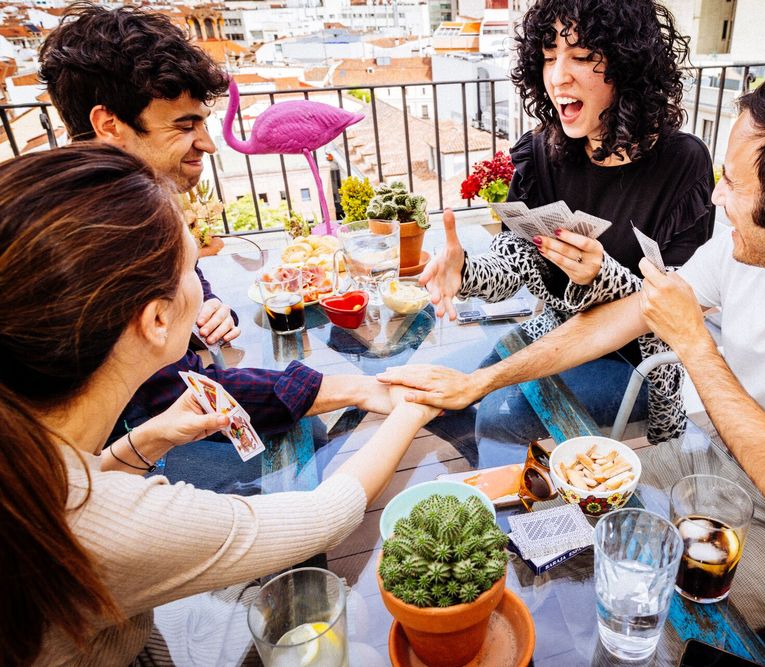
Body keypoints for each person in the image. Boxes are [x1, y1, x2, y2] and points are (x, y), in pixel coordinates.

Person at [382, 73, 765, 587]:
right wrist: (480, 382)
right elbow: (611, 324)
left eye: (733, 183)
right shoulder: (743, 253)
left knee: (621, 581)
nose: (716, 196)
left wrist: (693, 340)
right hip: (709, 466)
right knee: (543, 525)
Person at [0, 144, 439, 666]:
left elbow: (74, 485)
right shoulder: (106, 525)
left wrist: (149, 438)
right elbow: (325, 517)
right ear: (157, 320)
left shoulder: (29, 439)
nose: (204, 288)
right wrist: (413, 409)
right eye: (193, 268)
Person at [38, 4, 386, 444]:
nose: (207, 144)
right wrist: (358, 388)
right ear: (110, 124)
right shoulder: (102, 240)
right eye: (185, 125)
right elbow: (181, 398)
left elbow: (185, 275)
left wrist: (203, 303)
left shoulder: (111, 201)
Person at [420, 0, 715, 453]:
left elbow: (677, 307)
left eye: (580, 57)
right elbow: (518, 256)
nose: (558, 76)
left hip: (638, 362)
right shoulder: (543, 149)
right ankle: (528, 478)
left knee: (497, 416)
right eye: (549, 55)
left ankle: (536, 492)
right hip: (555, 336)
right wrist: (467, 272)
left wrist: (602, 277)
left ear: (630, 67)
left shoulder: (683, 163)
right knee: (438, 397)